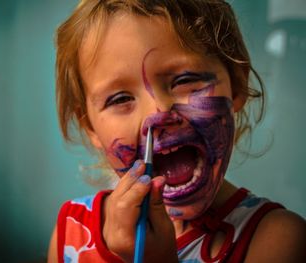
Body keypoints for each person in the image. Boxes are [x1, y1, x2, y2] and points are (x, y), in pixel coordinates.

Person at [48, 0, 306, 262]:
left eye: (184, 80)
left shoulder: (276, 239)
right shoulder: (71, 231)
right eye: (120, 99)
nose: (157, 114)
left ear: (237, 85)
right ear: (90, 126)